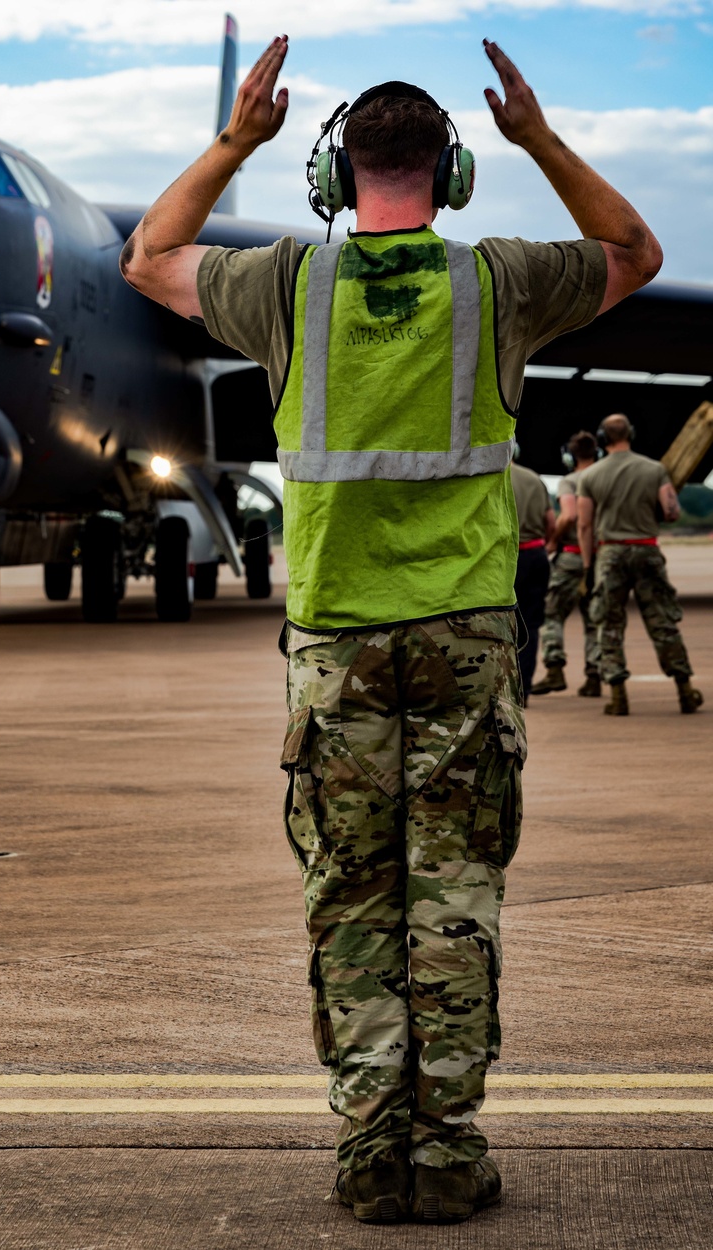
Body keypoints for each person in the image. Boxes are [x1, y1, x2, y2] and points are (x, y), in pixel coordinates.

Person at [120, 35, 661, 1224]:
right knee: (453, 894)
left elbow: (147, 255)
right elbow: (634, 253)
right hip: (467, 637)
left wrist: (233, 140)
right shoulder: (499, 281)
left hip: (335, 646)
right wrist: (541, 138)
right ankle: (447, 1154)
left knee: (353, 900)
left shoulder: (283, 285)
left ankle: (374, 1155)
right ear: (451, 174)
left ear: (332, 179)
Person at [577, 414, 702, 716]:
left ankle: (618, 696)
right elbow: (672, 512)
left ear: (602, 438)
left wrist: (587, 567)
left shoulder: (590, 476)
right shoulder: (655, 469)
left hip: (610, 553)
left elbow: (584, 524)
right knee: (662, 621)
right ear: (630, 434)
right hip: (647, 550)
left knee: (608, 624)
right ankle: (685, 691)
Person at [530, 431, 602, 697]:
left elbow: (570, 515)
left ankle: (554, 669)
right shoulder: (606, 478)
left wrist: (553, 539)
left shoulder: (571, 481)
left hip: (572, 556)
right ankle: (594, 676)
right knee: (594, 618)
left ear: (570, 458)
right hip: (602, 556)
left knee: (552, 613)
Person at [509, 456, 555, 702]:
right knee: (532, 624)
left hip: (507, 557)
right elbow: (551, 522)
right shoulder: (535, 478)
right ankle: (524, 689)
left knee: (504, 624)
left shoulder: (495, 477)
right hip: (536, 554)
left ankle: (507, 687)